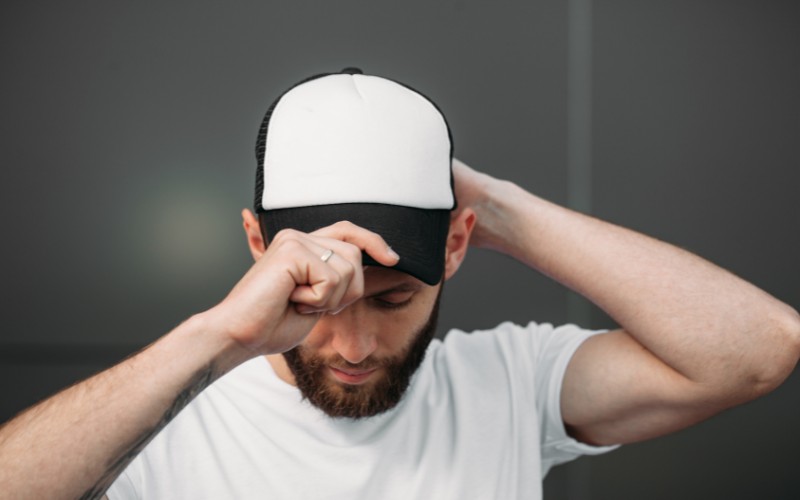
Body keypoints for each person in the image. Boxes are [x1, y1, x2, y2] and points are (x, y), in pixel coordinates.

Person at [0, 68, 798, 500]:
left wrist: (496, 208)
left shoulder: (508, 385)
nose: (353, 344)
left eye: (392, 300)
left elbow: (760, 350)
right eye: (312, 304)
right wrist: (223, 336)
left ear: (454, 249)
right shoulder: (164, 414)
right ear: (256, 245)